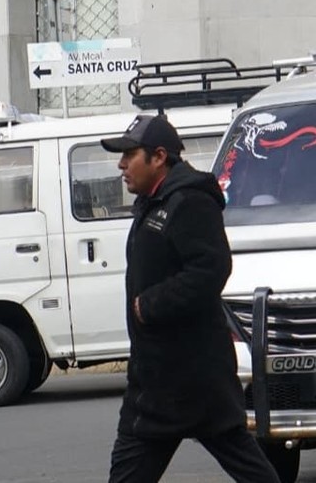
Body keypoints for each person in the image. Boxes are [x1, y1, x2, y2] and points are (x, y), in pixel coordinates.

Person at [99, 115, 280, 483]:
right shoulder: (154, 201)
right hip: (154, 375)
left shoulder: (190, 201)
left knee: (244, 460)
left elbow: (210, 270)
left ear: (159, 156)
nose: (121, 165)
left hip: (194, 375)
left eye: (129, 155)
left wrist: (149, 306)